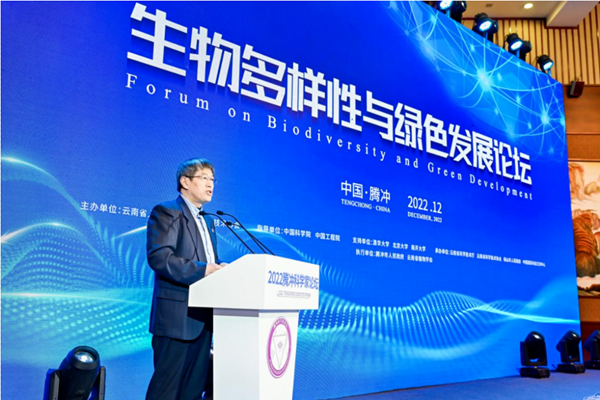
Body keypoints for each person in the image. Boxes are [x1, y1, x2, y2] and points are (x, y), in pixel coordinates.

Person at [145, 157, 225, 400]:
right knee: (166, 392)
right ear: (185, 182)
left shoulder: (208, 220)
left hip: (204, 320)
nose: (210, 184)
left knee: (192, 392)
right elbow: (160, 258)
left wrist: (220, 268)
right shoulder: (168, 211)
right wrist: (204, 270)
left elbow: (207, 260)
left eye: (213, 179)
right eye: (204, 178)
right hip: (176, 319)